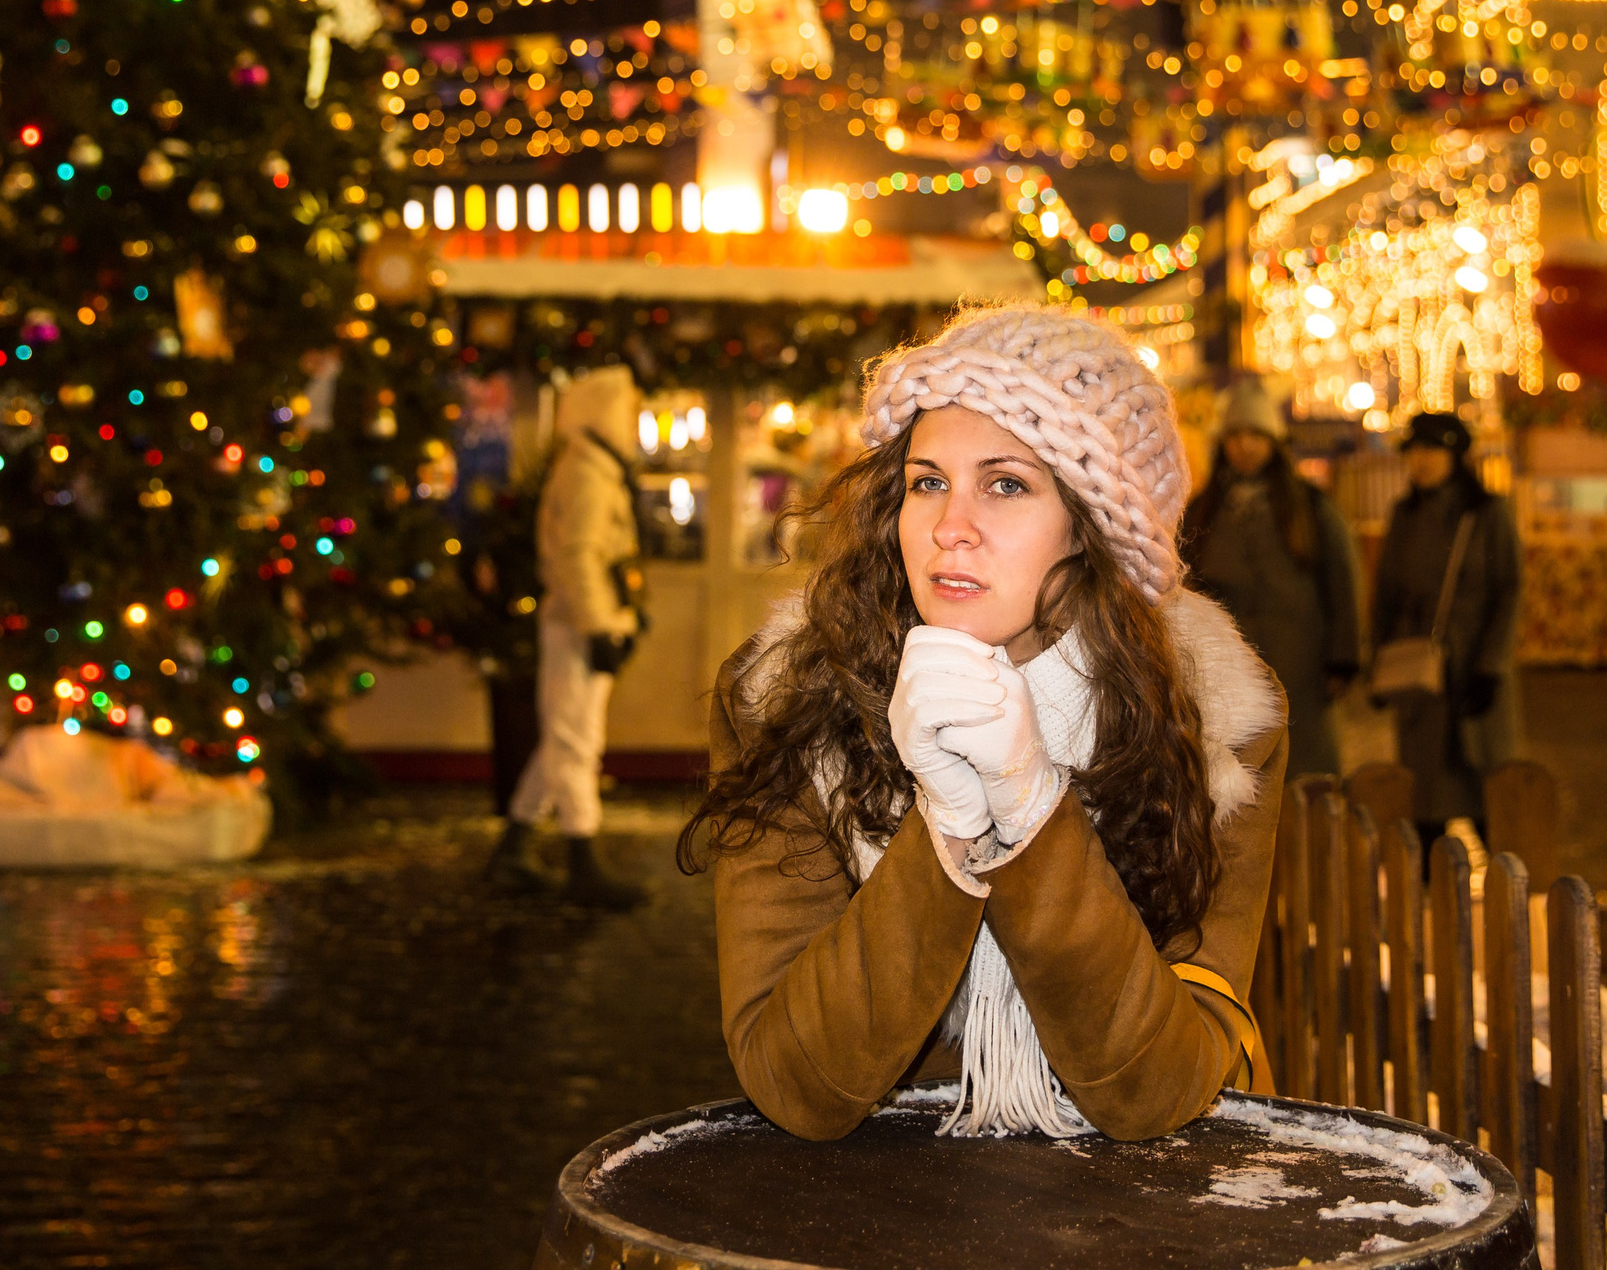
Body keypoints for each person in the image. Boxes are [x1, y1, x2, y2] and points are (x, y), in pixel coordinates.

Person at [680, 305, 1286, 1142]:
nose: (948, 526)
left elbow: (1157, 1088)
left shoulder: (1215, 721)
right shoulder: (787, 701)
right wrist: (949, 828)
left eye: (1006, 484)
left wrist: (1033, 809)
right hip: (877, 1212)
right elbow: (795, 1081)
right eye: (927, 480)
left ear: (1095, 527)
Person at [492, 363, 650, 910]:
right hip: (579, 625)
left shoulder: (595, 468)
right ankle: (582, 860)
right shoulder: (586, 472)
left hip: (585, 621)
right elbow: (577, 558)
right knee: (576, 740)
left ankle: (512, 846)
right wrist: (600, 625)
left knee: (564, 735)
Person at [1179, 379, 1364, 779]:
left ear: (1274, 442)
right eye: (1235, 435)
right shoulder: (1203, 511)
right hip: (1228, 664)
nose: (1245, 445)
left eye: (1256, 435)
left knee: (1304, 767)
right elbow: (1184, 585)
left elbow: (1342, 581)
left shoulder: (1310, 507)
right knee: (1237, 775)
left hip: (1301, 660)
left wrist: (1343, 658)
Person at [1370, 412, 1521, 830]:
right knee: (1424, 800)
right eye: (1414, 451)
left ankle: (1514, 891)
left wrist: (1491, 665)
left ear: (1455, 455)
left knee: (1487, 795)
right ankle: (1425, 890)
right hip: (1418, 671)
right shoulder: (1404, 513)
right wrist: (1378, 664)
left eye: (1432, 450)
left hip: (1471, 668)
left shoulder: (1487, 514)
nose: (1420, 460)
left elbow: (1508, 591)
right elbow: (1384, 592)